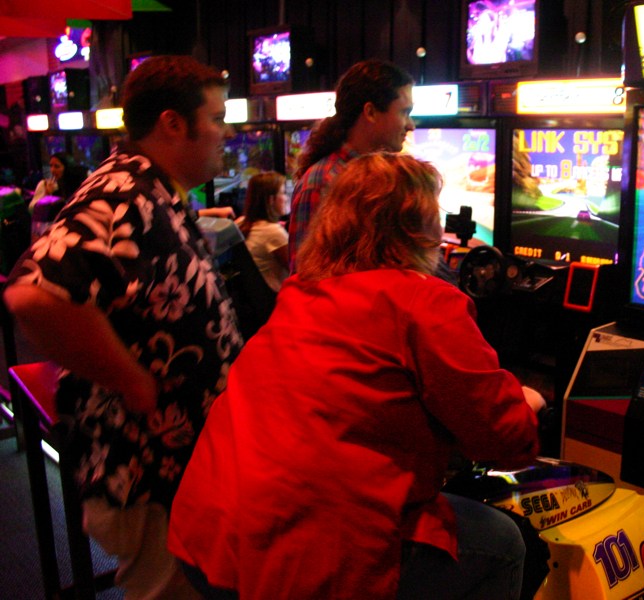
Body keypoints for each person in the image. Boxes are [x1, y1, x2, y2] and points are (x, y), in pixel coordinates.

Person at [168, 153, 546, 599]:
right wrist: (528, 402)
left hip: (207, 534)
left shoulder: (303, 292)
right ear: (418, 227)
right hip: (297, 557)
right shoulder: (425, 303)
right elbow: (502, 440)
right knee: (503, 541)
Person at [3, 55, 244, 599]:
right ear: (173, 123)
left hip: (176, 459)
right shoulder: (122, 191)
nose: (227, 132)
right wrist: (131, 380)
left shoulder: (151, 188)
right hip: (150, 462)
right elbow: (32, 294)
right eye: (217, 116)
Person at [287, 58, 415, 268]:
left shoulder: (377, 176)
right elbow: (306, 277)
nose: (411, 125)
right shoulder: (325, 181)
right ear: (370, 112)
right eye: (404, 112)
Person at [236, 171, 289, 292]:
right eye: (283, 193)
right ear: (271, 200)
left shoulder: (241, 223)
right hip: (277, 300)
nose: (286, 198)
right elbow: (298, 270)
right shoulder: (273, 232)